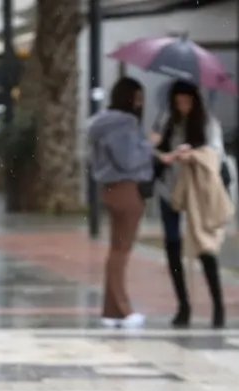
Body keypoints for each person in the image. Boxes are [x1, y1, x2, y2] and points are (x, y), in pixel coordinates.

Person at [152, 80, 228, 328]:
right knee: (172, 244)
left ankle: (218, 306)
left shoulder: (208, 123)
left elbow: (215, 154)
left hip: (197, 191)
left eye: (186, 102)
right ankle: (183, 305)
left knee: (204, 245)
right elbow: (155, 148)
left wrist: (193, 154)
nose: (182, 107)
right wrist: (165, 154)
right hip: (169, 190)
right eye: (178, 103)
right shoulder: (167, 120)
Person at [86, 77, 160, 329]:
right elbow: (129, 159)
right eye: (136, 98)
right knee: (121, 252)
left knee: (116, 251)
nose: (140, 104)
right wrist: (149, 145)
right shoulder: (125, 123)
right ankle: (124, 309)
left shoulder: (101, 124)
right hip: (127, 188)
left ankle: (111, 310)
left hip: (110, 188)